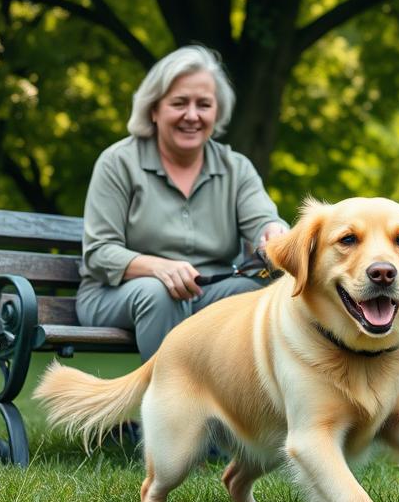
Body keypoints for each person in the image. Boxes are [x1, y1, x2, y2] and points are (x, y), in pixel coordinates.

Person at [76, 45, 288, 361]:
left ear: (217, 112)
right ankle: (172, 408)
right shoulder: (118, 162)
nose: (192, 115)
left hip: (207, 292)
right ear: (154, 109)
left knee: (262, 293)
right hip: (117, 294)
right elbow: (98, 253)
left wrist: (275, 232)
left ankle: (239, 406)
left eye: (204, 104)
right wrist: (158, 268)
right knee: (160, 293)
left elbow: (265, 221)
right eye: (179, 103)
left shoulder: (236, 168)